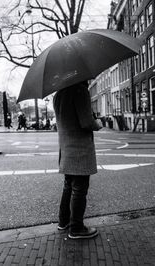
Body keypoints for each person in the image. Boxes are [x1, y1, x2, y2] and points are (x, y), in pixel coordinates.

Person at [53, 81, 102, 239]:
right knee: (80, 189)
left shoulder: (59, 93)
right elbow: (86, 122)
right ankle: (77, 228)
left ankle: (64, 222)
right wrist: (98, 123)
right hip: (79, 150)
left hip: (66, 149)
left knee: (68, 186)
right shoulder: (80, 90)